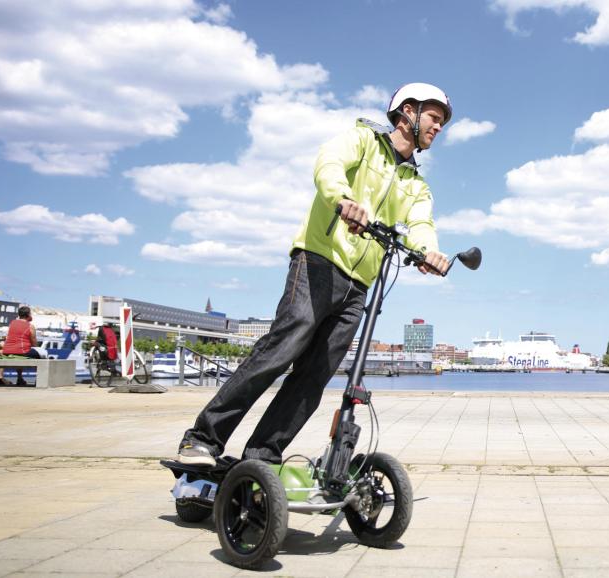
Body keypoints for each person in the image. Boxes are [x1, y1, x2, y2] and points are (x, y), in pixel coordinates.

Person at [176, 82, 453, 467]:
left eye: (442, 123)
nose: (438, 128)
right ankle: (203, 437)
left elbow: (421, 222)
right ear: (408, 111)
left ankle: (262, 457)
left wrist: (429, 253)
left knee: (314, 376)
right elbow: (329, 164)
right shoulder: (363, 140)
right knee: (281, 350)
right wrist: (344, 199)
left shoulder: (416, 184)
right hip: (318, 261)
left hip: (359, 287)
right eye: (434, 118)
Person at [1, 306, 40, 386]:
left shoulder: (12, 323)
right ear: (28, 315)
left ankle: (20, 378)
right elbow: (34, 343)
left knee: (18, 352)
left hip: (7, 351)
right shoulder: (30, 326)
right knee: (41, 356)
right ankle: (38, 379)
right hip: (22, 351)